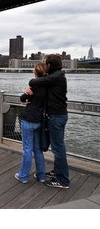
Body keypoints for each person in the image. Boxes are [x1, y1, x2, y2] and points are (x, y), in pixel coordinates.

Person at [27, 54, 69, 189]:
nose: (44, 66)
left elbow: (33, 82)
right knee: (58, 147)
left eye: (45, 64)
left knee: (58, 148)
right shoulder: (57, 76)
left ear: (49, 65)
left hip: (56, 117)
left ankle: (63, 180)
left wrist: (33, 85)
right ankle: (58, 172)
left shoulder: (56, 77)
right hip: (58, 116)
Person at [15, 63, 47, 184]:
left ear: (35, 73)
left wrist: (27, 93)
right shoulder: (47, 87)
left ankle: (23, 176)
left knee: (27, 149)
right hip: (39, 120)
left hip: (28, 119)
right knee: (37, 149)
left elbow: (22, 98)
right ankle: (41, 176)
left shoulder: (34, 84)